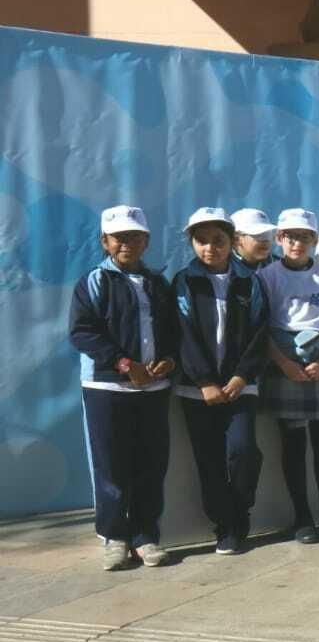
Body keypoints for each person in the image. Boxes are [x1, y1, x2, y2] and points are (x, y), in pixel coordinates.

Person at [70, 206, 179, 571]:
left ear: (146, 241)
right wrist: (124, 365)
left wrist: (169, 360)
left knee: (151, 463)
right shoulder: (94, 281)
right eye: (119, 238)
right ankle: (114, 537)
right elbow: (82, 332)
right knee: (112, 465)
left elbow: (172, 332)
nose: (127, 244)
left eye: (134, 236)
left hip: (154, 389)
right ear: (105, 242)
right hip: (107, 387)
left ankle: (145, 536)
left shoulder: (157, 283)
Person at [170, 208, 269, 555]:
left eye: (218, 240)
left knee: (243, 451)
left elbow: (260, 332)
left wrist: (242, 375)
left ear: (233, 242)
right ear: (192, 243)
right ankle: (224, 527)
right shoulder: (184, 281)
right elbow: (183, 335)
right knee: (209, 461)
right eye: (202, 241)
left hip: (241, 386)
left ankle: (240, 514)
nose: (210, 248)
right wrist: (204, 382)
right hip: (198, 391)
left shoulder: (250, 281)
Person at [257, 208, 319, 544]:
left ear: (314, 239)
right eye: (290, 236)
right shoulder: (267, 276)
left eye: (304, 237)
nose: (297, 243)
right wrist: (283, 363)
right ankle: (303, 517)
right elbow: (262, 328)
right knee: (294, 444)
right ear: (280, 239)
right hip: (286, 362)